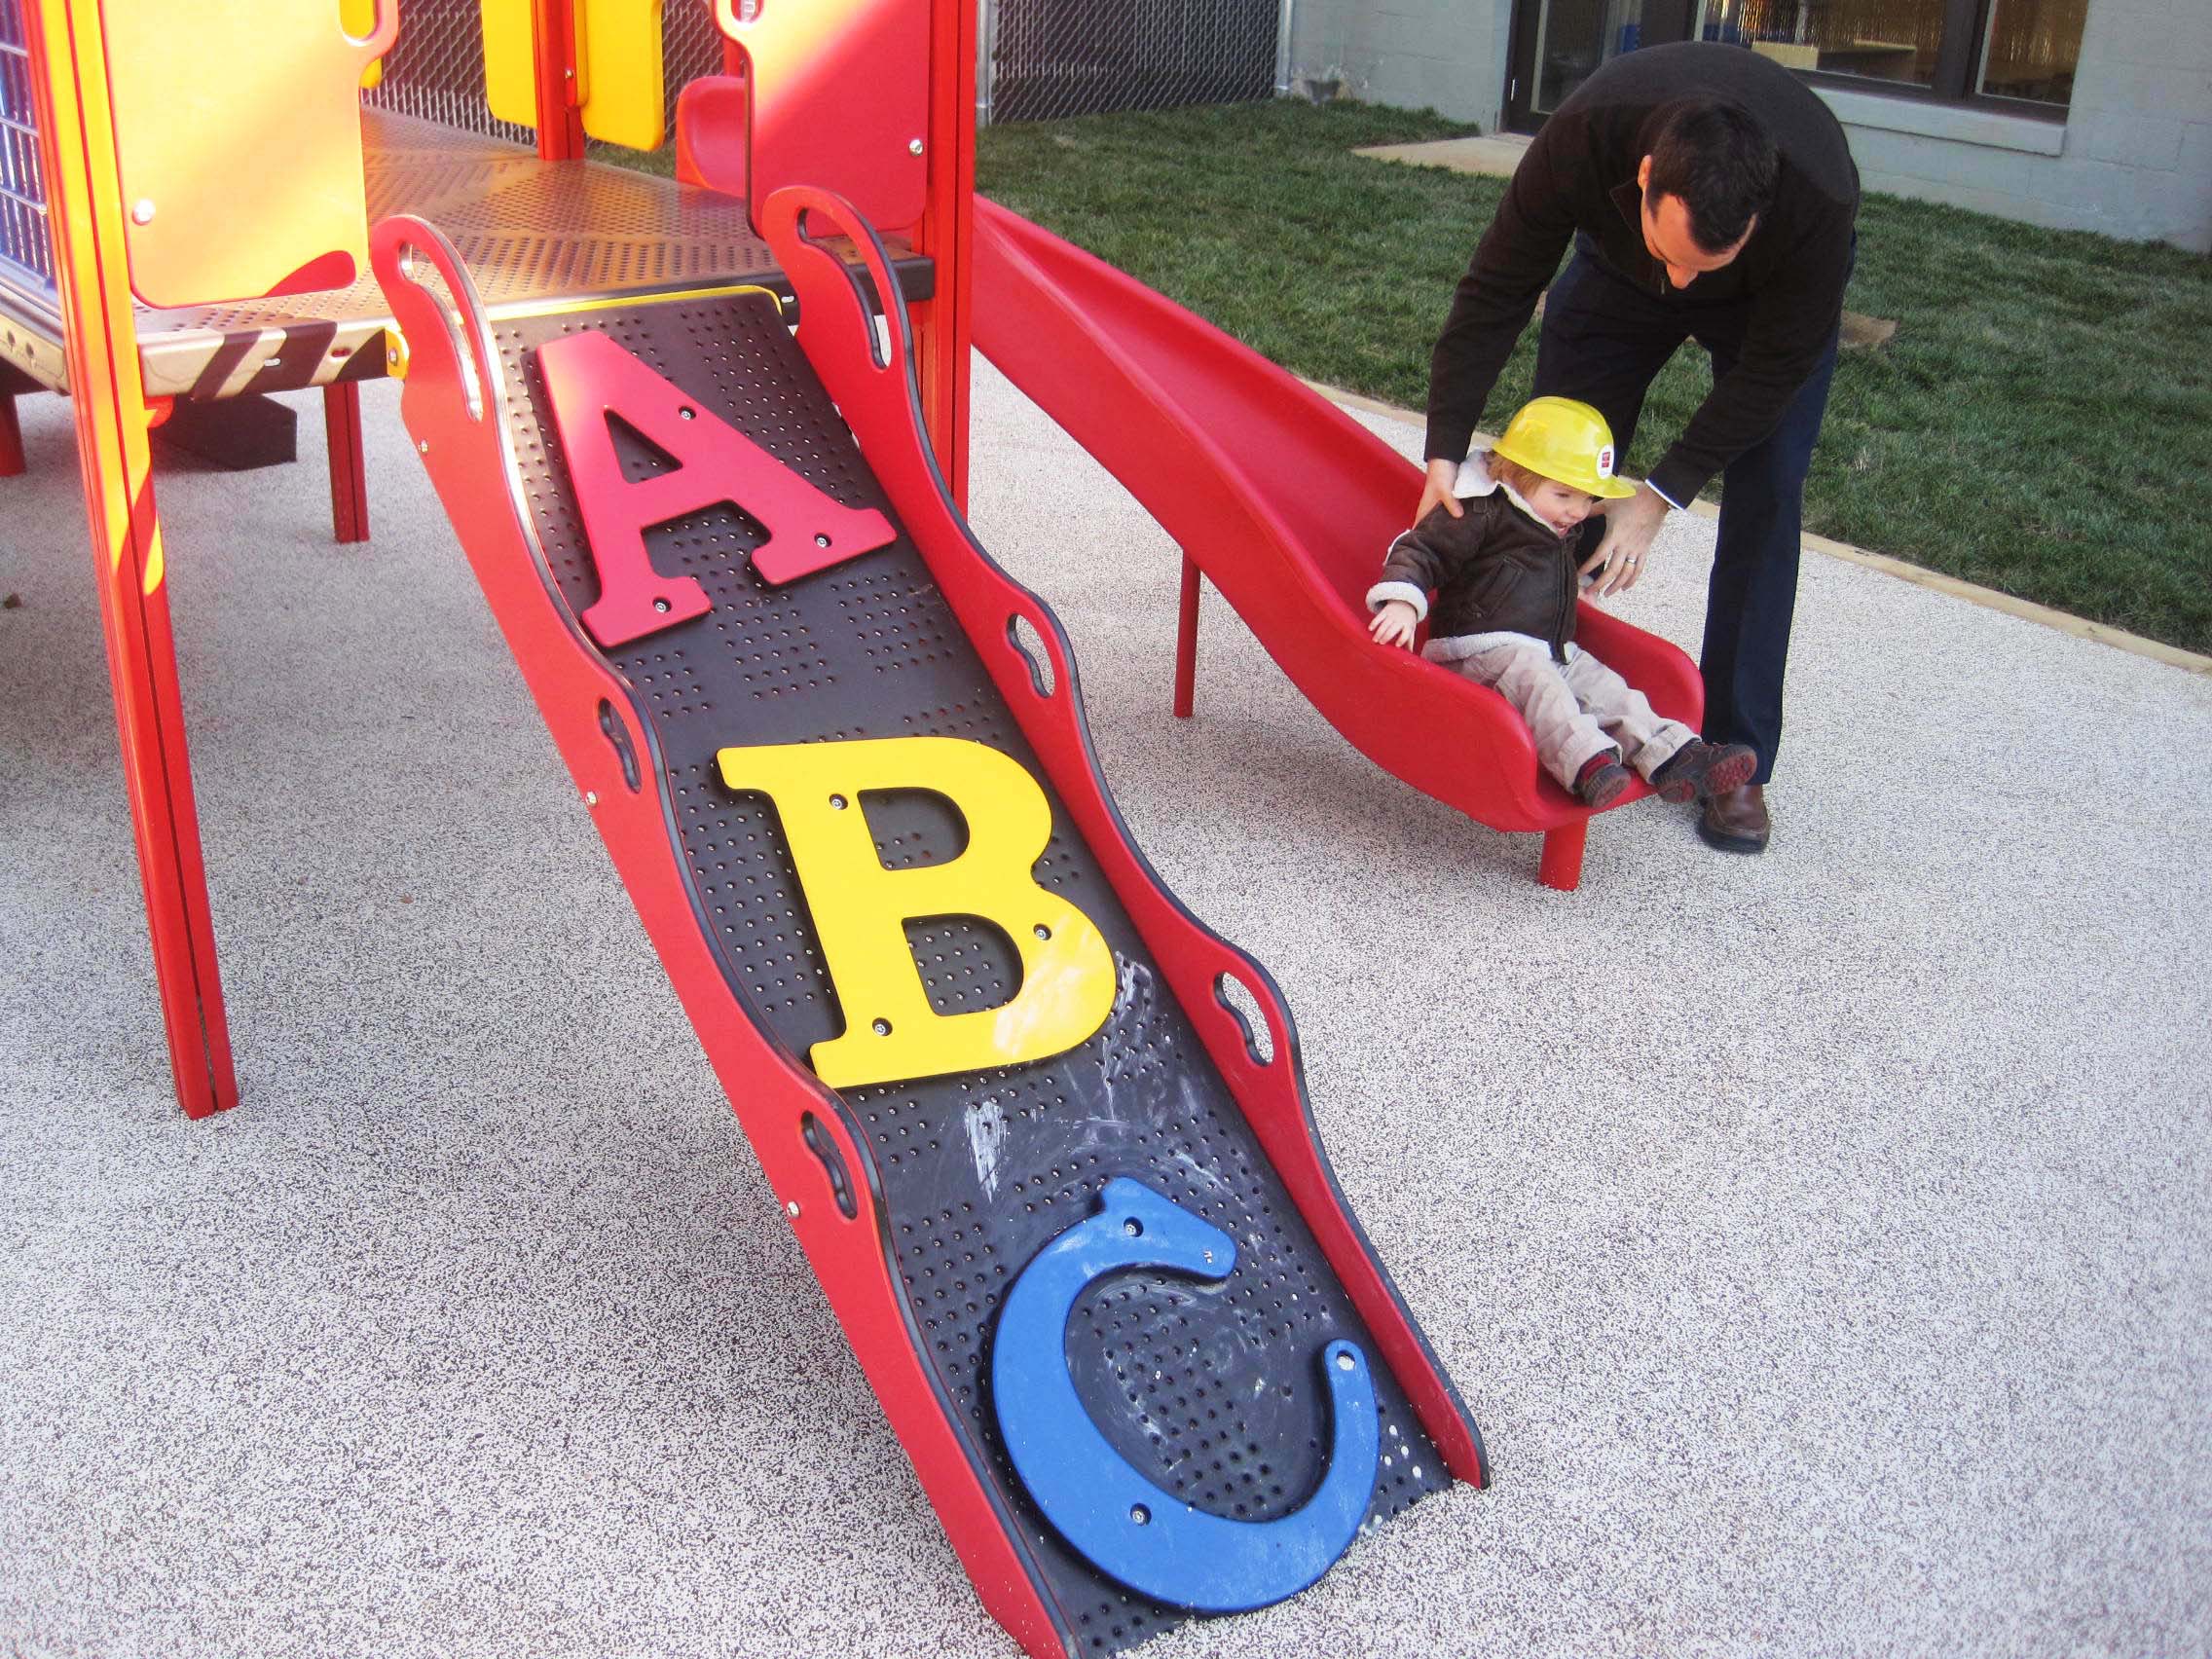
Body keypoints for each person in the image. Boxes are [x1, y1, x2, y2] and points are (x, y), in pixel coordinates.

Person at [1420, 41, 1859, 854]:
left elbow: (1774, 373)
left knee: (1768, 499)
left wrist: (1659, 496)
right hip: (1618, 278)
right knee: (1560, 469)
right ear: (1647, 174)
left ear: (1758, 217)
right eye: (1677, 256)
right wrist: (1444, 450)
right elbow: (1497, 290)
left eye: (1706, 265)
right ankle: (1543, 678)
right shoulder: (1586, 135)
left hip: (1767, 315)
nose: (1685, 286)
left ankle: (1739, 757)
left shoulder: (1818, 200)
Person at [1369, 395, 1755, 811]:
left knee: (1605, 686)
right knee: (1539, 686)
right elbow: (1422, 550)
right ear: (1517, 474)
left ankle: (1675, 754)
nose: (1577, 511)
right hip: (1477, 652)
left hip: (1550, 648)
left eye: (1587, 498)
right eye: (1565, 495)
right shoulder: (1481, 512)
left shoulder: (1553, 522)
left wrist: (1577, 589)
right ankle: (1587, 765)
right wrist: (1403, 602)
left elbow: (1540, 576)